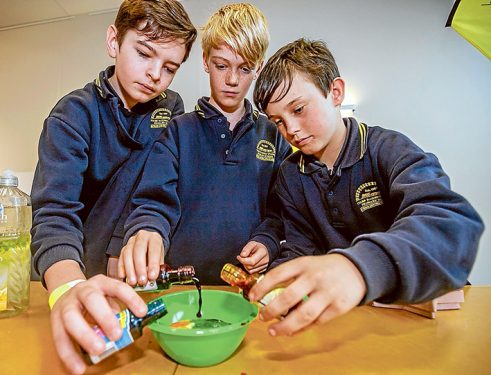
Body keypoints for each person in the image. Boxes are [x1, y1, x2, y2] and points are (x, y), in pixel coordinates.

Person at [248, 38, 484, 337]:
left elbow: (452, 226)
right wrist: (273, 286)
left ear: (335, 93)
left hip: (422, 320)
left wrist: (359, 266)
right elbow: (299, 249)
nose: (290, 130)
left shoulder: (389, 149)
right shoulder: (290, 175)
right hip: (349, 326)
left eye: (298, 109)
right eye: (278, 121)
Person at [30, 1, 196, 373]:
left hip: (130, 289)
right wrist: (69, 289)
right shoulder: (71, 115)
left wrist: (138, 235)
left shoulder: (171, 108)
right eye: (143, 53)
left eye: (170, 68)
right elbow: (54, 215)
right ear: (113, 41)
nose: (155, 74)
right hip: (75, 278)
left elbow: (157, 191)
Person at [119, 3, 291, 286]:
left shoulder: (274, 135)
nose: (232, 80)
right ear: (205, 60)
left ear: (259, 67)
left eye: (245, 69)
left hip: (246, 288)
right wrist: (147, 229)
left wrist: (267, 241)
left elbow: (279, 211)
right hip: (182, 286)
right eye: (221, 65)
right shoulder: (177, 130)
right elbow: (153, 202)